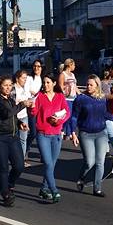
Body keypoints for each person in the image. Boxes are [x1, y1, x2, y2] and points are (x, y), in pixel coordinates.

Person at [0, 75, 31, 207]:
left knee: (19, 166)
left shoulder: (10, 100)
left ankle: (9, 184)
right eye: (5, 85)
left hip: (11, 136)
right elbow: (6, 113)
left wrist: (20, 123)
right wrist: (22, 104)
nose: (8, 88)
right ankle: (5, 194)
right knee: (3, 167)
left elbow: (12, 116)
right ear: (0, 86)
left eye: (10, 85)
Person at [73, 74, 113, 197]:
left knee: (100, 162)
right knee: (89, 162)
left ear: (97, 86)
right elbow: (74, 117)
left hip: (101, 133)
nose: (88, 86)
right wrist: (73, 132)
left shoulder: (102, 98)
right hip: (86, 133)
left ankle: (97, 188)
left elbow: (103, 113)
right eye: (87, 84)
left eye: (91, 84)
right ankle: (81, 177)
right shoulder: (81, 99)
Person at [32, 75, 69, 203]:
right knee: (47, 163)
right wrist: (30, 107)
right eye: (44, 82)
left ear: (54, 83)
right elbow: (34, 112)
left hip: (57, 135)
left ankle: (43, 189)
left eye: (48, 82)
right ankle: (54, 190)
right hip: (43, 134)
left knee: (52, 165)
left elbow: (67, 112)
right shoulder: (40, 97)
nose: (45, 85)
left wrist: (59, 120)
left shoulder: (60, 96)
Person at [23, 60, 44, 163]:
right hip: (32, 107)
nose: (36, 68)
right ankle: (25, 149)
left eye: (39, 66)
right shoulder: (30, 78)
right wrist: (34, 94)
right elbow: (27, 91)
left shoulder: (43, 79)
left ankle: (43, 153)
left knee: (41, 132)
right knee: (33, 133)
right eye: (35, 66)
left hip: (41, 108)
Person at [12, 69, 33, 166]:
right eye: (23, 78)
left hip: (24, 116)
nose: (25, 80)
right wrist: (21, 103)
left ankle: (22, 160)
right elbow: (11, 105)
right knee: (14, 139)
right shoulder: (13, 89)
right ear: (17, 79)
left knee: (23, 139)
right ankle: (14, 159)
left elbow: (27, 100)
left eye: (26, 78)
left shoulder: (24, 89)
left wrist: (30, 103)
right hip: (15, 118)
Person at [59, 58, 79, 143]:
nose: (74, 67)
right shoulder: (63, 75)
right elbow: (60, 86)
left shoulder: (73, 75)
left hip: (73, 98)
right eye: (74, 65)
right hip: (66, 98)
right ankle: (62, 130)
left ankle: (70, 132)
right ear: (70, 65)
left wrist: (80, 94)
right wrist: (65, 91)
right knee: (68, 116)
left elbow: (75, 86)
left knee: (73, 116)